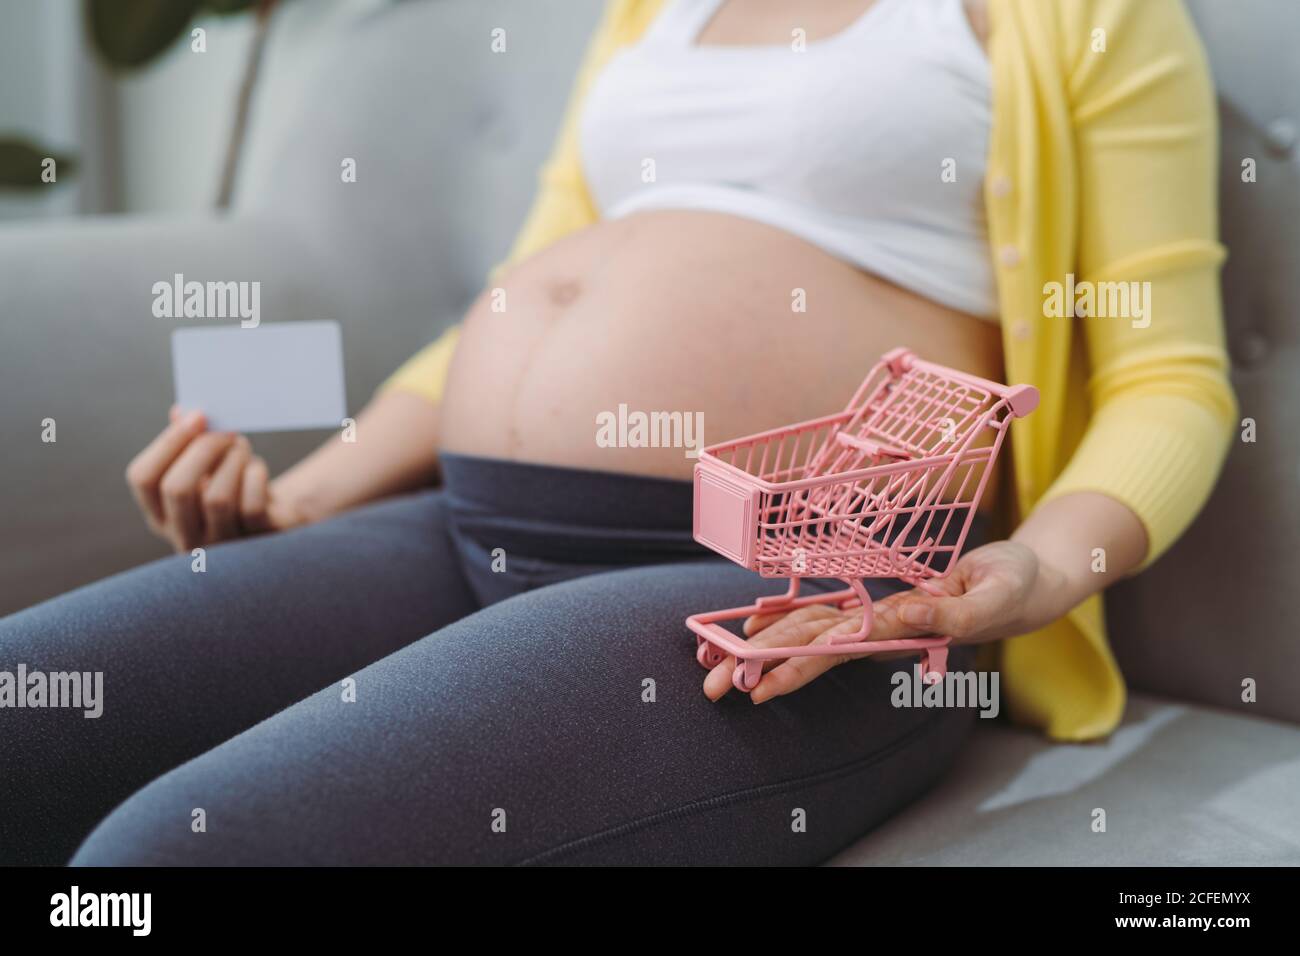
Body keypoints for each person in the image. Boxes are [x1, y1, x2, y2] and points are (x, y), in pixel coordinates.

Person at [0, 0, 1235, 866]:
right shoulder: (656, 9)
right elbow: (526, 284)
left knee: (157, 864)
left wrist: (1029, 570)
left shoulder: (1083, 8)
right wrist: (307, 496)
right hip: (463, 523)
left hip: (789, 596)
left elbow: (1170, 378)